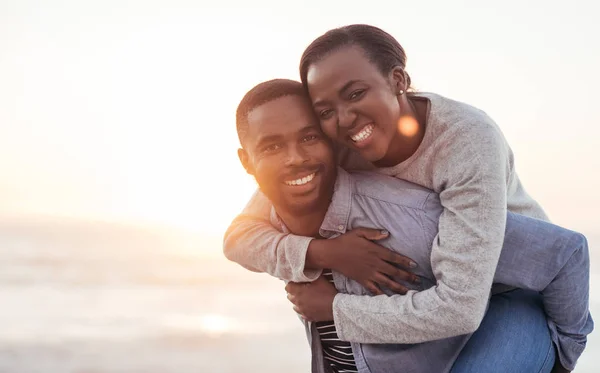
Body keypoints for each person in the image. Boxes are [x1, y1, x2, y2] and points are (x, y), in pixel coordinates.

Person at [224, 25, 592, 372]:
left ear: (398, 80)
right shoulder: (336, 141)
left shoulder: (466, 142)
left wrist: (334, 309)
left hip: (512, 287)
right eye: (326, 111)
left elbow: (466, 303)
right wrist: (323, 254)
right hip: (435, 293)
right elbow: (242, 235)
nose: (346, 118)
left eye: (355, 93)